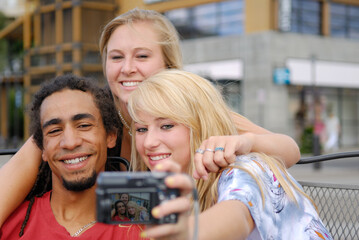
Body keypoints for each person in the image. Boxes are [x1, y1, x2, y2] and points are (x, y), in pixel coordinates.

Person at [0, 8, 300, 226]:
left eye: (142, 56)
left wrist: (242, 143)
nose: (127, 68)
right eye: (116, 57)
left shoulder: (194, 109)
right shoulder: (84, 116)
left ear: (169, 65)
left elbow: (290, 150)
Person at [127, 70, 332, 239]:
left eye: (167, 125)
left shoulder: (243, 168)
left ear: (201, 124)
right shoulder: (165, 185)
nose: (149, 142)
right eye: (141, 129)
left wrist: (189, 231)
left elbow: (238, 214)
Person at [0, 74, 192, 239]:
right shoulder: (11, 221)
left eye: (84, 125)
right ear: (41, 148)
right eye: (55, 130)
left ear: (110, 136)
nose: (70, 142)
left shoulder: (146, 217)